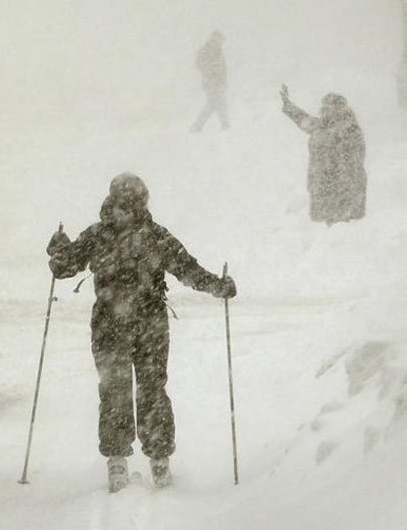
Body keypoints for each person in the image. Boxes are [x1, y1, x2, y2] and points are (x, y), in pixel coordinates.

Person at [45, 173, 236, 492]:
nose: (128, 211)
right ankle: (151, 461)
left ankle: (124, 462)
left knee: (126, 389)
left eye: (131, 205)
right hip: (145, 323)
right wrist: (218, 285)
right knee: (141, 389)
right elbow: (188, 270)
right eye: (127, 204)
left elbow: (64, 269)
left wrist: (59, 254)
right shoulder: (151, 236)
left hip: (115, 324)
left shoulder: (103, 235)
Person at [279, 85, 366, 225]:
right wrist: (288, 105)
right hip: (324, 187)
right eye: (323, 108)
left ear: (339, 110)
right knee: (328, 235)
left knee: (343, 231)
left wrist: (341, 190)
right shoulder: (322, 126)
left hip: (341, 193)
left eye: (328, 109)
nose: (324, 111)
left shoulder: (349, 131)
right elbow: (304, 120)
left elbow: (352, 167)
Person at [192, 30, 229, 131]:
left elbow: (223, 68)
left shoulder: (219, 51)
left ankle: (198, 126)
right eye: (220, 40)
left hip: (219, 82)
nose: (221, 42)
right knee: (215, 104)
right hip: (210, 82)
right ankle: (225, 125)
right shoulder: (205, 50)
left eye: (221, 40)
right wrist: (211, 69)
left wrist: (224, 81)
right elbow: (199, 64)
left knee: (216, 104)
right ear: (214, 39)